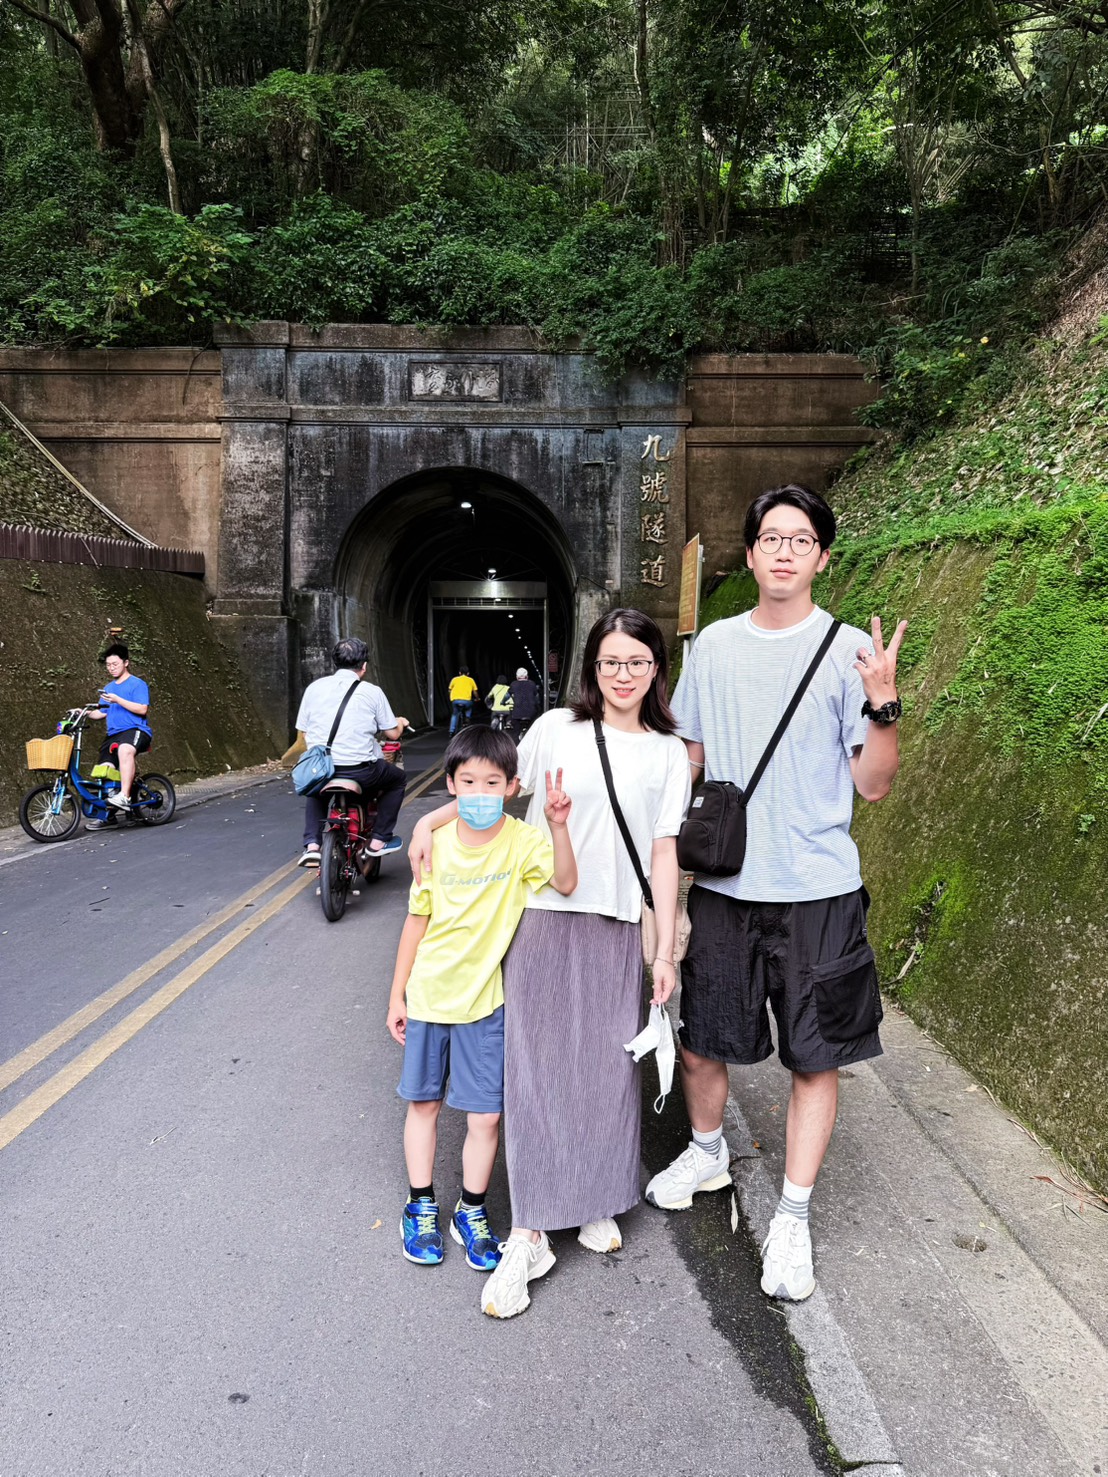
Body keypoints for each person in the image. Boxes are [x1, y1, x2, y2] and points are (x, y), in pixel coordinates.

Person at [646, 483, 906, 1305]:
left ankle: (792, 1215)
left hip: (819, 889)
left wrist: (884, 702)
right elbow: (684, 757)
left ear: (822, 557)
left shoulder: (845, 654)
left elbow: (874, 784)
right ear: (751, 554)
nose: (786, 550)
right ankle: (710, 1148)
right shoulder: (715, 646)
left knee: (814, 1055)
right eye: (771, 537)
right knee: (701, 1038)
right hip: (727, 884)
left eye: (802, 538)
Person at [410, 609, 690, 1320]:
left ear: (657, 669)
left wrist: (663, 949)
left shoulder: (668, 752)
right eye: (609, 662)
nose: (622, 675)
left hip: (616, 921)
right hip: (538, 915)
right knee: (533, 1071)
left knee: (602, 1070)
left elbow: (663, 853)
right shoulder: (556, 730)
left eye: (636, 662)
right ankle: (529, 1229)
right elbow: (491, 790)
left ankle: (593, 1195)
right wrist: (428, 821)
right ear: (591, 668)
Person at [387, 726, 577, 1270]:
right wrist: (396, 995)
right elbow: (415, 922)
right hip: (427, 999)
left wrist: (559, 828)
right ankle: (419, 1205)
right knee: (424, 1104)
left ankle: (470, 1211)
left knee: (486, 1117)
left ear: (512, 787)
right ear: (450, 785)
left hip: (484, 1004)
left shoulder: (521, 841)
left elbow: (565, 881)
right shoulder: (434, 845)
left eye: (492, 782)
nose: (479, 794)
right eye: (467, 782)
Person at [295, 637, 410, 868]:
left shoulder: (313, 689)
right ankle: (379, 840)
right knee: (397, 780)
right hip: (362, 771)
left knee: (315, 790)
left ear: (334, 663)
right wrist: (400, 722)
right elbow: (392, 734)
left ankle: (312, 846)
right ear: (364, 666)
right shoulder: (372, 691)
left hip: (322, 767)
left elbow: (305, 732)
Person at [87, 643, 152, 829]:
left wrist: (118, 699)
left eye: (115, 664)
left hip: (136, 730)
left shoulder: (137, 684)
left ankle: (124, 796)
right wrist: (84, 713)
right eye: (108, 665)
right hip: (113, 735)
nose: (111, 668)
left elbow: (142, 708)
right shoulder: (108, 688)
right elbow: (101, 713)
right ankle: (109, 815)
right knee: (104, 770)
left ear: (126, 663)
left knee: (125, 750)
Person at [506, 666, 540, 740]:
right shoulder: (532, 684)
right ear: (527, 676)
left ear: (517, 677)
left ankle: (516, 745)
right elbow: (536, 697)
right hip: (531, 712)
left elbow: (507, 696)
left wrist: (504, 702)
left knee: (515, 732)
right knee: (533, 726)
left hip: (517, 713)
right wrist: (537, 706)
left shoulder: (513, 684)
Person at [448, 667, 478, 735]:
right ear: (468, 673)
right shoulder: (471, 680)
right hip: (466, 701)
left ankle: (451, 731)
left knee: (455, 714)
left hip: (455, 701)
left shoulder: (454, 679)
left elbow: (449, 690)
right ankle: (467, 718)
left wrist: (452, 697)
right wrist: (477, 698)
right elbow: (475, 692)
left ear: (459, 673)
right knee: (469, 707)